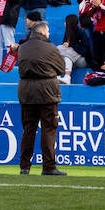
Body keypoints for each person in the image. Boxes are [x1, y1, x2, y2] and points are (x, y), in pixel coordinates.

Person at [16, 20, 68, 176]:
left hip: (26, 92)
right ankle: (49, 166)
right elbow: (61, 69)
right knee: (49, 129)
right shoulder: (51, 48)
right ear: (43, 32)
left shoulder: (22, 48)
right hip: (47, 92)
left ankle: (24, 166)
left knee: (28, 129)